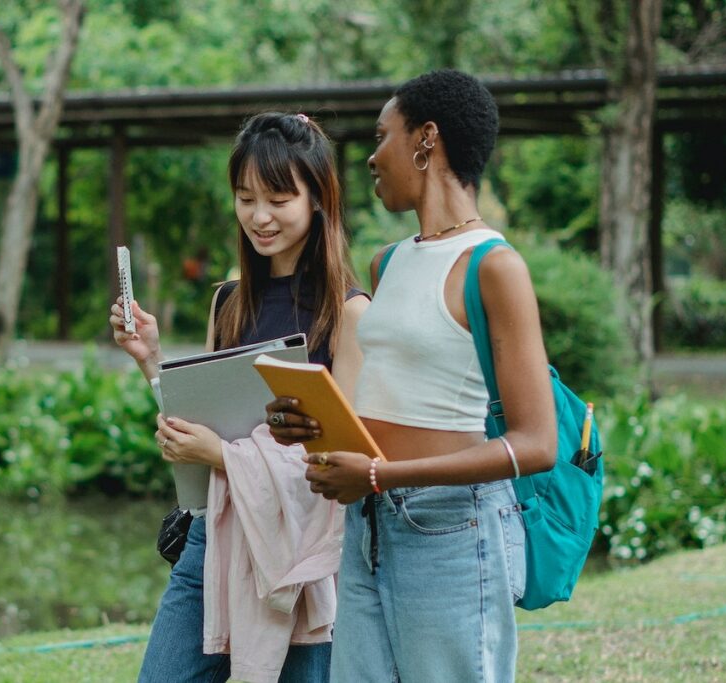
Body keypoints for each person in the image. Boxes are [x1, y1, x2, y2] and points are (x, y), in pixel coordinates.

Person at [266, 70, 558, 682]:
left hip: (452, 529)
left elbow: (536, 445)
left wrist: (380, 473)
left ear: (426, 140)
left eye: (383, 137)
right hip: (368, 523)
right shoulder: (389, 261)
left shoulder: (494, 267)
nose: (372, 158)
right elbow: (395, 393)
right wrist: (311, 426)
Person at [110, 111, 368, 683]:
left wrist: (222, 455)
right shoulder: (228, 301)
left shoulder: (349, 313)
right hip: (214, 538)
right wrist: (152, 360)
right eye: (245, 197)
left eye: (278, 198)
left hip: (302, 560)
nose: (259, 216)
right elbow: (205, 419)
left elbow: (340, 460)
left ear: (319, 198)